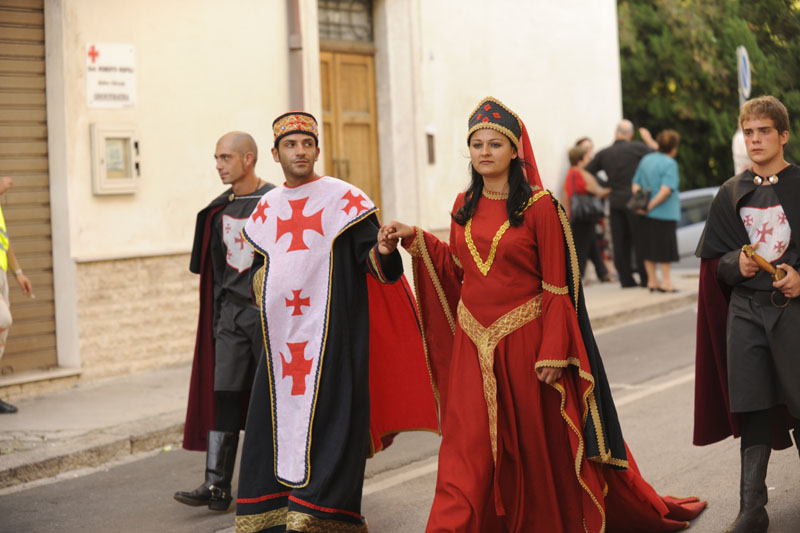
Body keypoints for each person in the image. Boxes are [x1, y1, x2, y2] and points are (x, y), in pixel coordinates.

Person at [381, 97, 705, 532]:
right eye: (476, 144)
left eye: (495, 144)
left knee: (536, 449)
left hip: (527, 345)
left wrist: (554, 350)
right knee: (465, 449)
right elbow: (461, 270)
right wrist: (416, 238)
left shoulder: (539, 206)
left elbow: (557, 287)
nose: (484, 152)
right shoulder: (462, 205)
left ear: (515, 150)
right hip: (473, 348)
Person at [234, 111, 438, 532]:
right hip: (279, 348)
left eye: (307, 144)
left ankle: (320, 517)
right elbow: (257, 271)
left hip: (332, 341)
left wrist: (383, 250)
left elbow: (378, 269)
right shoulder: (266, 209)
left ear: (317, 150)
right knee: (272, 428)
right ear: (275, 154)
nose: (300, 151)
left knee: (332, 428)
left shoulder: (345, 200)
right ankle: (272, 515)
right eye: (291, 145)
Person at [695, 95, 800, 533]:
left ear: (783, 136)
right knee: (753, 402)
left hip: (793, 311)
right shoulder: (731, 192)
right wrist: (731, 266)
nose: (755, 140)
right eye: (748, 132)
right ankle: (753, 508)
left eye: (763, 132)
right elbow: (713, 262)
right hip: (745, 312)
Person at [175, 132, 274, 511]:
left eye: (226, 157)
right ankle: (216, 485)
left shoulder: (274, 202)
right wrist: (218, 319)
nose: (219, 165)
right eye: (216, 157)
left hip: (267, 314)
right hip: (231, 315)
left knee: (271, 398)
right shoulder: (219, 210)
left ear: (248, 159)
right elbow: (216, 270)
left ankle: (273, 483)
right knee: (225, 394)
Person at [585, 120, 655, 288]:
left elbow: (586, 171)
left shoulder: (604, 153)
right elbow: (657, 156)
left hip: (615, 201)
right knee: (640, 240)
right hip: (634, 201)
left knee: (619, 242)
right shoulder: (637, 148)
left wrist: (602, 189)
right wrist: (649, 139)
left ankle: (626, 280)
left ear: (616, 133)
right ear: (630, 135)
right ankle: (645, 278)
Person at [632, 129, 682, 292]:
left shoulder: (646, 159)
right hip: (665, 213)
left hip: (643, 215)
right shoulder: (670, 163)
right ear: (674, 147)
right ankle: (666, 282)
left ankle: (652, 281)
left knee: (648, 247)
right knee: (665, 249)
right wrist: (651, 206)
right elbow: (666, 190)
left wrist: (642, 205)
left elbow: (636, 184)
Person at [0, 176, 33, 414]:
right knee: (3, 319)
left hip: (2, 274)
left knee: (1, 337)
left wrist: (18, 273)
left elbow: (5, 241)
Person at [563, 143, 611, 279]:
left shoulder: (570, 173)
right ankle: (578, 278)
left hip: (578, 215)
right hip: (584, 216)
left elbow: (566, 192)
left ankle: (603, 273)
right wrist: (613, 189)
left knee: (591, 243)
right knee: (581, 249)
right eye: (587, 158)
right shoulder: (579, 172)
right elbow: (595, 190)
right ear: (581, 159)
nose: (589, 160)